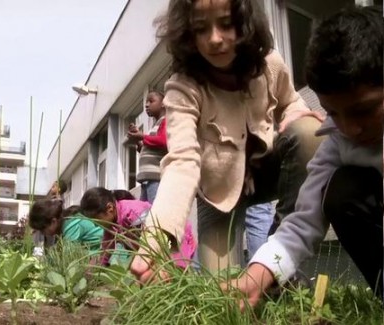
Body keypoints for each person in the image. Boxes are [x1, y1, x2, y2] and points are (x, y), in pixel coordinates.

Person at [130, 0, 325, 281]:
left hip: (264, 173)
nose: (214, 39)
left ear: (245, 23)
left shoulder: (269, 64)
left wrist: (294, 114)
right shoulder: (183, 89)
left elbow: (291, 102)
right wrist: (157, 235)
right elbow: (182, 162)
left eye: (226, 24)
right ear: (187, 32)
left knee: (308, 132)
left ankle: (279, 253)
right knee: (218, 292)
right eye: (201, 28)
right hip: (217, 196)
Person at [223, 6, 384, 308]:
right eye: (334, 113)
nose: (350, 128)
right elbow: (304, 218)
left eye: (364, 110)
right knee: (338, 191)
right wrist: (260, 271)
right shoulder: (338, 141)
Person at [81, 187, 195, 268]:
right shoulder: (111, 225)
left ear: (109, 208)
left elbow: (152, 233)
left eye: (96, 220)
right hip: (156, 248)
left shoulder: (131, 212)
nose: (96, 225)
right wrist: (99, 268)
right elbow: (106, 249)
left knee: (177, 271)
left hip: (174, 236)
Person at [127, 90, 167, 204]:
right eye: (146, 102)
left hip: (156, 178)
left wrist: (142, 136)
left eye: (151, 101)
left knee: (155, 214)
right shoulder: (153, 127)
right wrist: (137, 141)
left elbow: (164, 142)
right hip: (147, 180)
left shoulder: (165, 120)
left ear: (163, 103)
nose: (147, 105)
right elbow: (146, 150)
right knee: (144, 215)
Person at [28, 200, 104, 254]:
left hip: (104, 251)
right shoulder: (64, 222)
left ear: (53, 221)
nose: (43, 233)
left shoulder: (71, 225)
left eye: (43, 230)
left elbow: (69, 256)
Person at [32, 179, 69, 257]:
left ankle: (40, 258)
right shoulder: (54, 200)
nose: (51, 188)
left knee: (46, 246)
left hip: (50, 228)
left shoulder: (57, 201)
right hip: (49, 227)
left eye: (54, 186)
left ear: (59, 189)